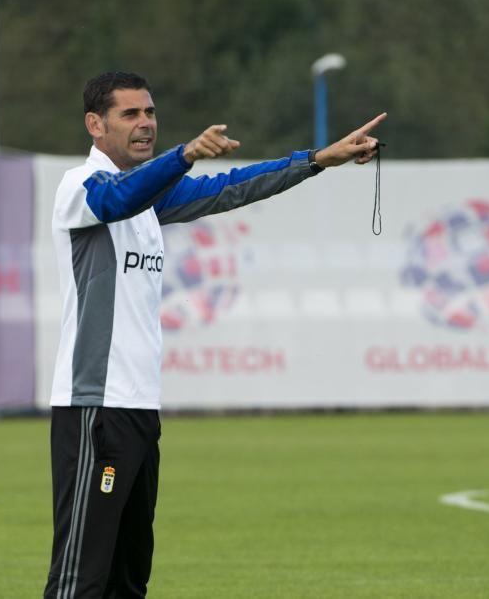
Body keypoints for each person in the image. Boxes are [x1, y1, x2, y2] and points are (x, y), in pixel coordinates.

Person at [45, 71, 385, 598]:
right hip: (95, 409)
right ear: (95, 124)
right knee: (80, 584)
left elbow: (229, 189)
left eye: (150, 112)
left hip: (138, 410)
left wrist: (316, 160)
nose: (145, 124)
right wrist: (183, 156)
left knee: (128, 580)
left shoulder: (150, 203)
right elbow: (117, 200)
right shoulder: (81, 188)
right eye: (129, 114)